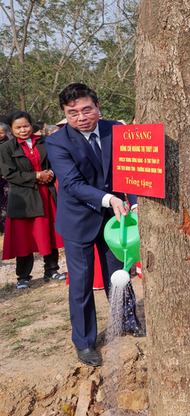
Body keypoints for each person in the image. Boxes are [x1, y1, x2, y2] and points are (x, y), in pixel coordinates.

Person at [46, 83, 145, 368]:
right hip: (78, 220)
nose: (81, 117)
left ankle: (127, 320)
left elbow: (133, 168)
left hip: (116, 219)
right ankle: (86, 342)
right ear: (65, 115)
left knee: (120, 272)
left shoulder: (118, 130)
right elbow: (73, 184)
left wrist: (135, 202)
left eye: (86, 109)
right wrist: (110, 198)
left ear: (98, 107)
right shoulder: (57, 141)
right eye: (72, 112)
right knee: (82, 283)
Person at [0, 111, 66, 289]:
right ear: (11, 130)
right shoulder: (6, 148)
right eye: (18, 127)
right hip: (23, 197)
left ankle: (51, 271)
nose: (23, 130)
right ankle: (23, 277)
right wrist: (37, 175)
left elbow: (56, 162)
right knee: (24, 238)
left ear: (32, 126)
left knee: (49, 234)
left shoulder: (46, 142)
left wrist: (50, 173)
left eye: (26, 126)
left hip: (46, 193)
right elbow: (9, 174)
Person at [0, 121, 10, 234]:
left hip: (6, 176)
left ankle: (5, 224)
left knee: (5, 200)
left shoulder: (10, 143)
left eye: (2, 132)